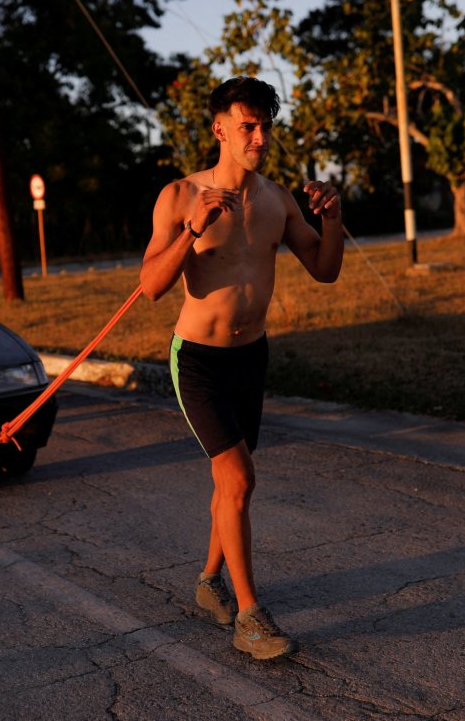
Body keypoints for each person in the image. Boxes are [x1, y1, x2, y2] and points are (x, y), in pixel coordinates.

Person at [139, 76, 344, 660]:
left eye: (266, 126)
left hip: (251, 356)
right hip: (197, 360)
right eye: (248, 126)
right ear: (219, 129)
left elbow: (325, 271)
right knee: (239, 479)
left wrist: (332, 219)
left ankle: (208, 580)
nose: (260, 136)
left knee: (232, 482)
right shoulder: (179, 196)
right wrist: (193, 229)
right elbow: (151, 286)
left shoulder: (277, 200)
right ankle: (250, 618)